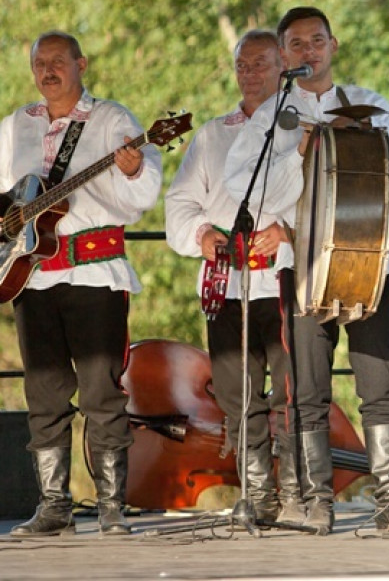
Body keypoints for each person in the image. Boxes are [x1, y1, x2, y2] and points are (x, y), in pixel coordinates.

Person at [224, 6, 389, 535]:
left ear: (333, 46)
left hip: (367, 260)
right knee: (308, 389)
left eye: (317, 41)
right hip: (302, 266)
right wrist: (299, 149)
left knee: (381, 383)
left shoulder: (370, 103)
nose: (308, 52)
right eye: (296, 44)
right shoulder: (271, 116)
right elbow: (244, 190)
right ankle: (319, 502)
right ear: (282, 54)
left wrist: (366, 132)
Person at [0, 31, 162, 536]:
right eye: (40, 63)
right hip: (31, 275)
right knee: (44, 392)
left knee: (100, 389)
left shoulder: (113, 120)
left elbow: (145, 196)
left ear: (81, 64)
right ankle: (54, 506)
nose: (48, 71)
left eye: (58, 62)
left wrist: (133, 172)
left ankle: (112, 505)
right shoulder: (14, 126)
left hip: (94, 272)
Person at [164, 30, 294, 526]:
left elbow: (318, 197)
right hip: (227, 284)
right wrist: (199, 234)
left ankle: (299, 491)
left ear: (283, 65)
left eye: (260, 64)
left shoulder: (298, 126)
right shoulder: (214, 134)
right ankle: (258, 496)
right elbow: (180, 201)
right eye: (243, 65)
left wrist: (287, 230)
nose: (250, 73)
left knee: (291, 389)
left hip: (281, 279)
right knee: (237, 394)